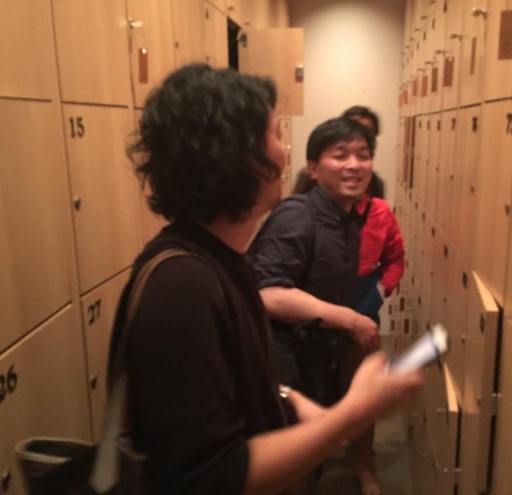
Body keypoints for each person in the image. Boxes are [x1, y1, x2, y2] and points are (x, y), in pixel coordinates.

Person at [110, 64, 423, 495]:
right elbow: (213, 478)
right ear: (237, 156)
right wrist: (351, 414)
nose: (285, 151)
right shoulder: (183, 287)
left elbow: (233, 383)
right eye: (276, 135)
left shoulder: (226, 262)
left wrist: (291, 402)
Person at [249, 117, 391, 494]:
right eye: (340, 155)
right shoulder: (299, 215)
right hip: (285, 365)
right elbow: (267, 292)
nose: (354, 165)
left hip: (317, 358)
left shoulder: (347, 218)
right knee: (291, 473)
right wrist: (350, 320)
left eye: (362, 155)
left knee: (309, 465)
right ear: (313, 168)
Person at [341, 106, 406, 495]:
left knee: (364, 391)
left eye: (365, 145)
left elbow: (395, 257)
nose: (353, 162)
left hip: (364, 303)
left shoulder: (377, 203)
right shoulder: (308, 197)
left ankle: (364, 466)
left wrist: (380, 291)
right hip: (318, 307)